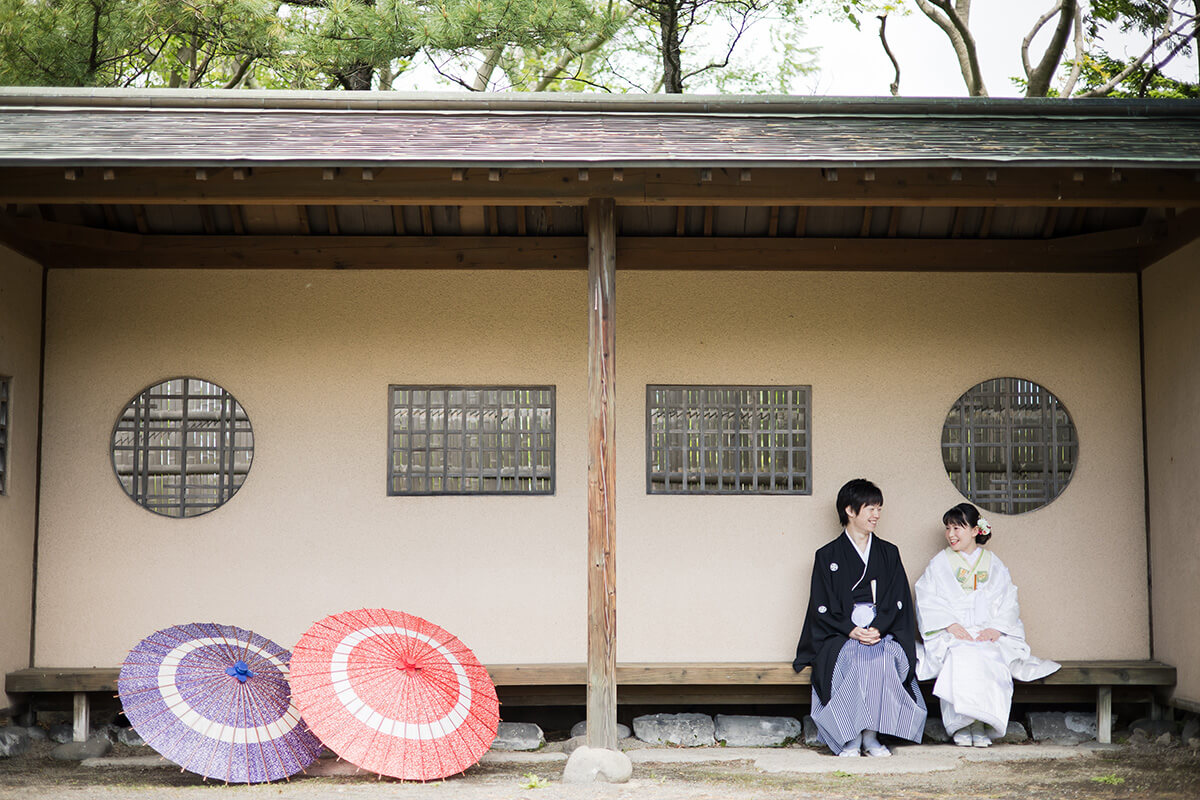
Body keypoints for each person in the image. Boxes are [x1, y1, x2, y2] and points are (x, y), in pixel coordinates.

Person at [793, 478, 927, 757]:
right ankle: (851, 736)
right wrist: (851, 630)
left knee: (880, 657)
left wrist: (878, 628)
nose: (876, 515)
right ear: (850, 510)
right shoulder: (826, 555)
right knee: (854, 658)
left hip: (881, 631)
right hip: (840, 635)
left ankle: (870, 735)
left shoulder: (888, 553)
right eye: (870, 508)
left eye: (879, 508)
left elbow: (898, 599)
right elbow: (821, 605)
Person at [914, 502, 1060, 747]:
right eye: (948, 528)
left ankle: (982, 723)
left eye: (958, 528)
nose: (951, 534)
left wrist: (997, 629)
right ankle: (962, 725)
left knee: (989, 655)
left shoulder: (994, 563)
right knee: (960, 655)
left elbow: (1008, 599)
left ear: (974, 530)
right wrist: (949, 624)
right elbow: (926, 597)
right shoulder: (939, 563)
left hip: (986, 631)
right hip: (954, 631)